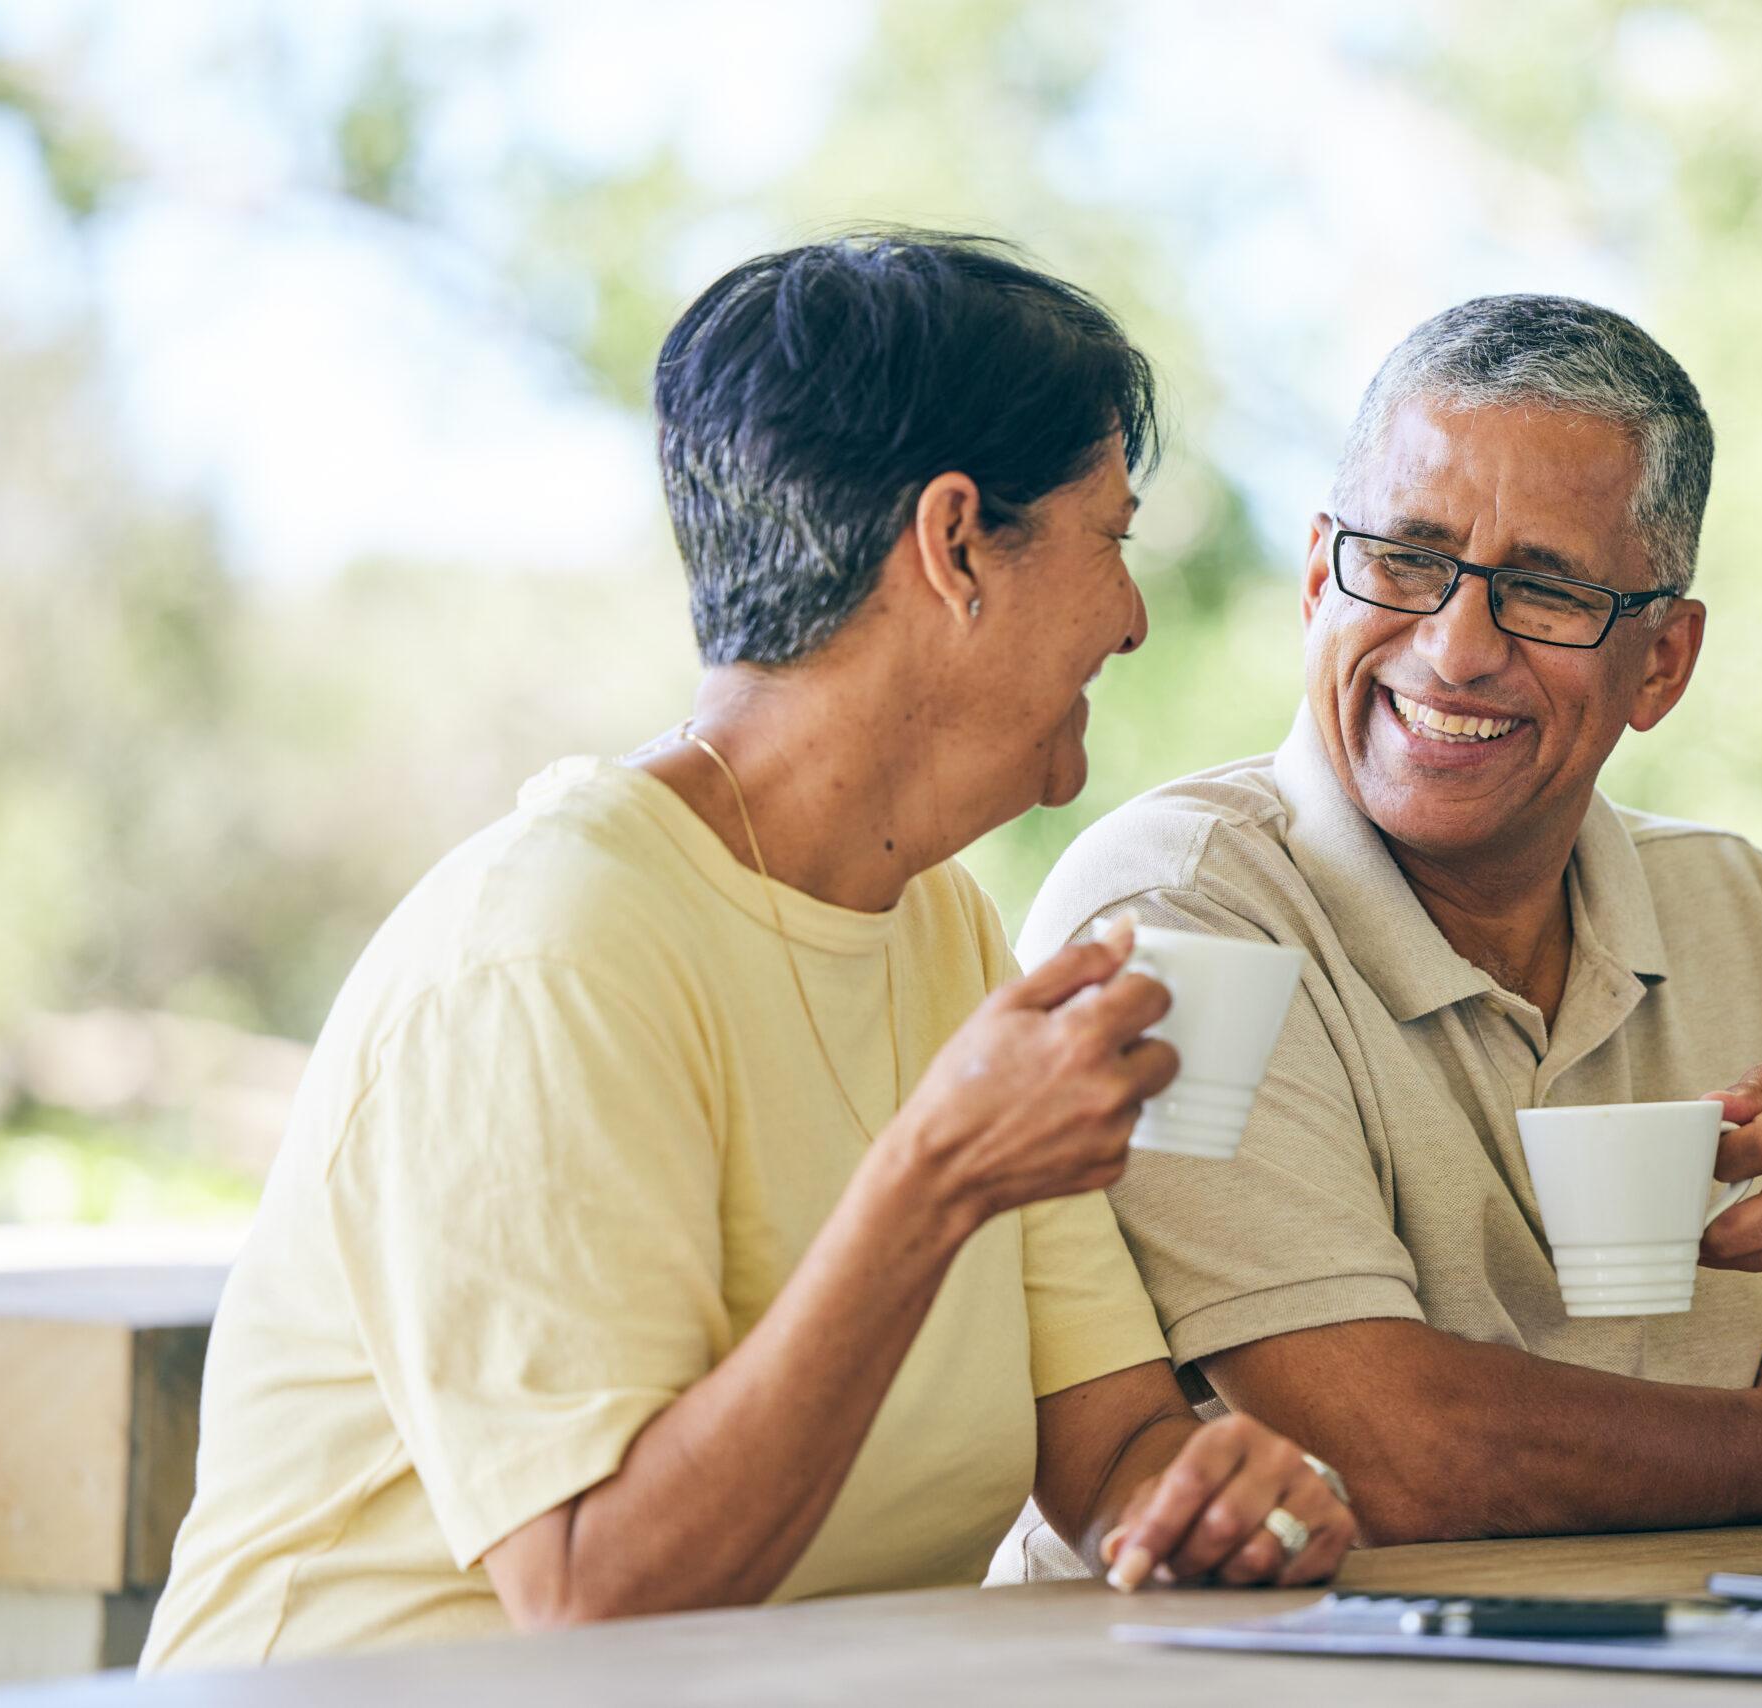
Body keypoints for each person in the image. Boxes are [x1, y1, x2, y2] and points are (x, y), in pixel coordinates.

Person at [142, 233, 1353, 1671]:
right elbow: (597, 1600)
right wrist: (936, 1174)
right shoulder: (548, 952)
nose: (1137, 617)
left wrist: (1212, 1500)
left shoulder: (943, 924)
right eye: (1113, 538)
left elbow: (1109, 1450)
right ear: (956, 542)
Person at [1014, 294, 1762, 1556]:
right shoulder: (1178, 912)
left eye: (1543, 588)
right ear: (1318, 578)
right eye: (1405, 560)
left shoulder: (1747, 915)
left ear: (1664, 663)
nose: (1455, 648)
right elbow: (1388, 1462)